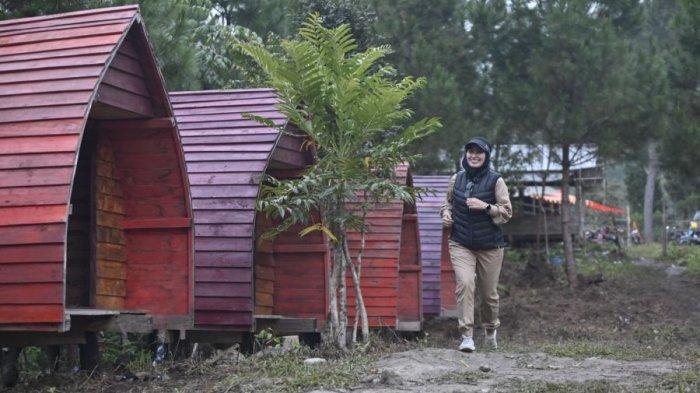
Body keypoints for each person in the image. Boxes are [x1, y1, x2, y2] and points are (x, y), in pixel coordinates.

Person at [440, 137, 512, 352]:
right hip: (461, 242)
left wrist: (486, 207)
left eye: (478, 152)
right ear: (466, 155)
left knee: (489, 294)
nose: (474, 155)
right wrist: (445, 214)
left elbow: (507, 212)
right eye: (470, 151)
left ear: (486, 156)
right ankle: (467, 336)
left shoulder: (496, 181)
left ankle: (491, 330)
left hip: (490, 246)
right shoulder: (456, 179)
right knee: (465, 284)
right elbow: (448, 203)